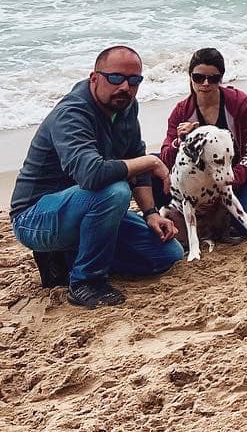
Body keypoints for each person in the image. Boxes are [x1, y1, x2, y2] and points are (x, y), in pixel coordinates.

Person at [9, 46, 183, 308]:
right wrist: (152, 161)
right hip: (35, 217)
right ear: (94, 78)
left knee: (167, 254)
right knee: (115, 190)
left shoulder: (126, 107)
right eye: (116, 78)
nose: (125, 87)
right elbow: (92, 175)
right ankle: (85, 282)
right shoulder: (72, 113)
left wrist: (150, 214)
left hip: (88, 207)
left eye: (134, 80)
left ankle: (68, 257)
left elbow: (135, 156)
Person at [160, 48, 247, 238]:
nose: (205, 83)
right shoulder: (182, 112)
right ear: (190, 77)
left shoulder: (240, 104)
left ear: (221, 78)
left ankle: (245, 213)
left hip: (243, 175)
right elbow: (166, 157)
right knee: (152, 165)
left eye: (213, 78)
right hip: (202, 182)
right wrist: (180, 142)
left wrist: (229, 181)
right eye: (199, 77)